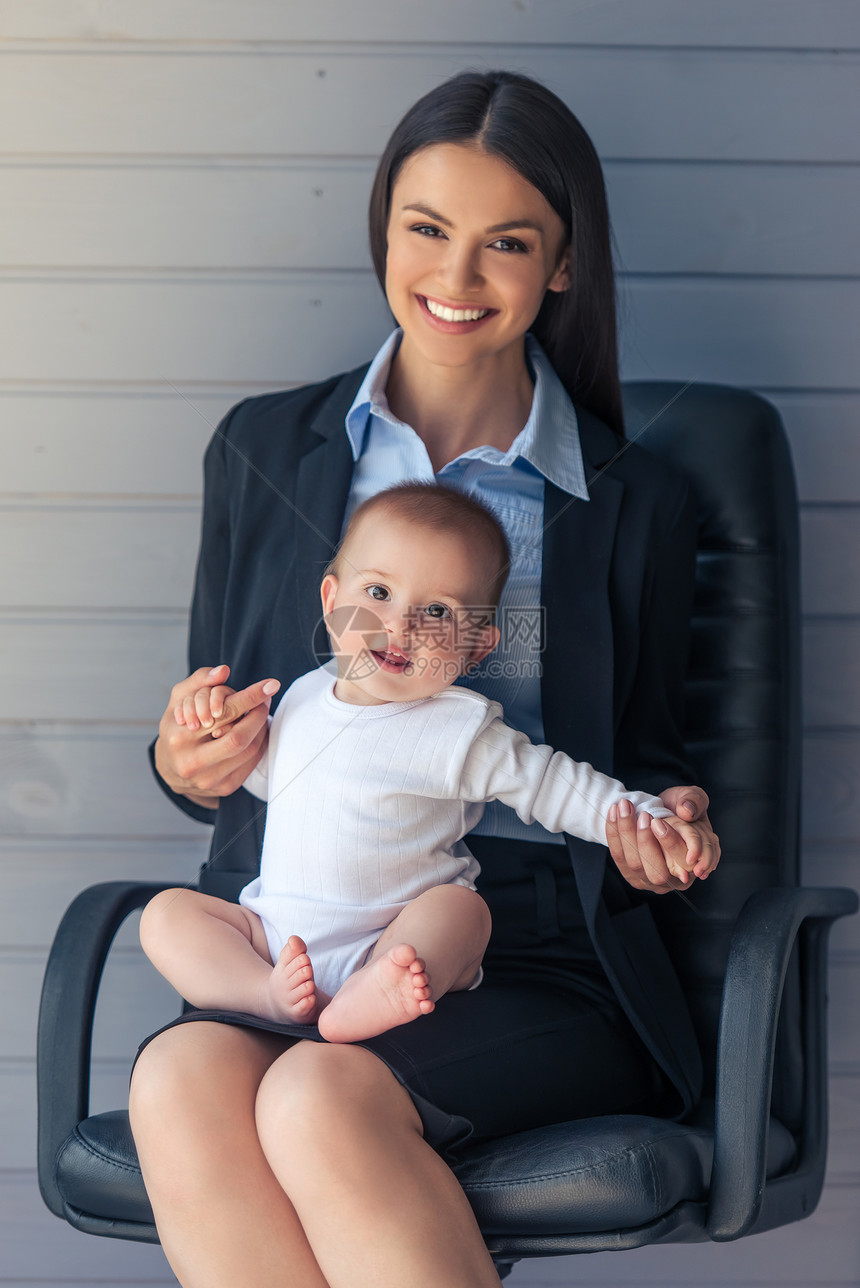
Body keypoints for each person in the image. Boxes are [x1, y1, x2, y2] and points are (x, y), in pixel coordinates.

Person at [129, 69, 720, 1288]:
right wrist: (187, 759)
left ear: (560, 266)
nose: (455, 278)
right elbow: (218, 733)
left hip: (529, 949)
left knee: (316, 1098)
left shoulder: (633, 500)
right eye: (426, 230)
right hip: (297, 925)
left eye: (506, 243)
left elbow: (647, 749)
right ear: (383, 230)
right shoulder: (263, 447)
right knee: (178, 1075)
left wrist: (669, 815)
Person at [139, 484, 712, 1046]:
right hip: (275, 941)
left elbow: (554, 785)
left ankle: (375, 991)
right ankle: (262, 995)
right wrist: (214, 728)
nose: (401, 625)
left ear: (477, 648)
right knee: (165, 915)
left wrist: (646, 816)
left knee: (460, 911)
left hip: (390, 942)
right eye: (379, 592)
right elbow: (267, 781)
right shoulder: (299, 699)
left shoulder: (458, 728)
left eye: (437, 610)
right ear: (331, 601)